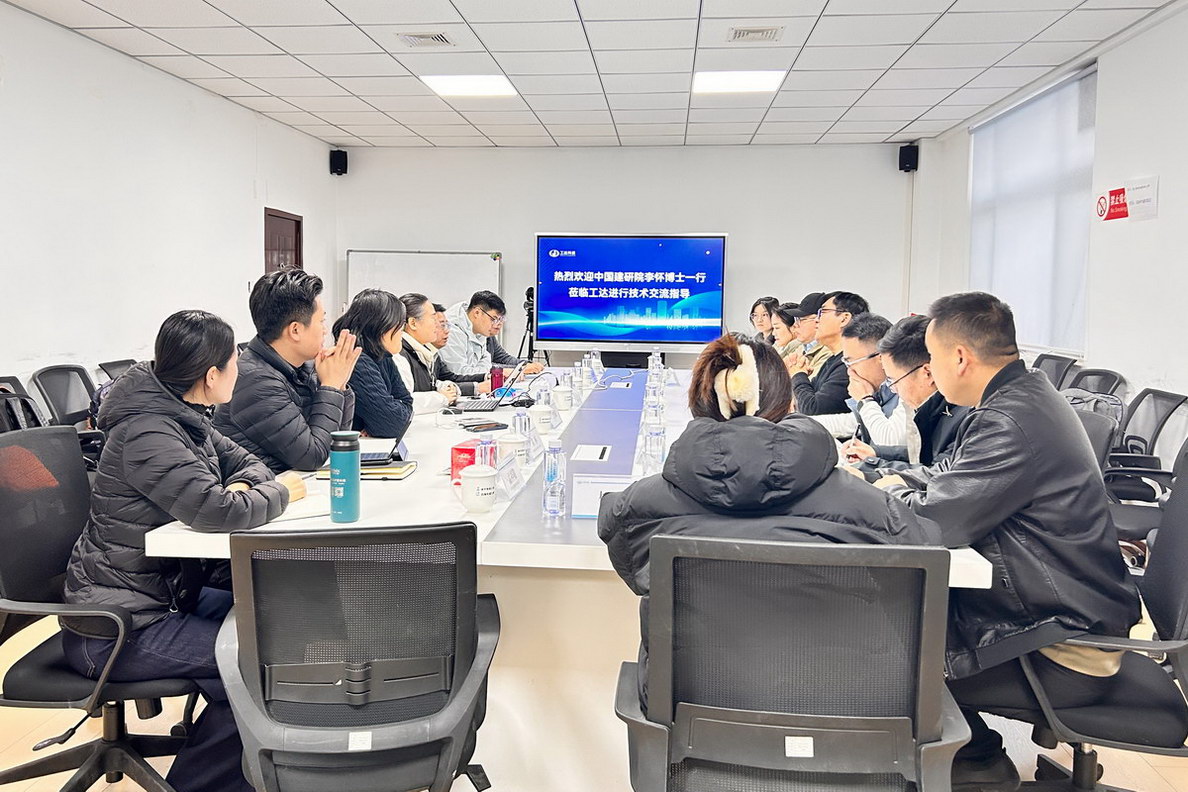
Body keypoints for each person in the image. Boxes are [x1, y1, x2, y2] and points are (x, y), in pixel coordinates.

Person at [879, 293, 1141, 791]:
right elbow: (953, 478)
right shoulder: (1022, 395)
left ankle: (976, 763)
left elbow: (935, 524)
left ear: (960, 357)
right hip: (1064, 612)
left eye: (932, 357)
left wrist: (875, 496)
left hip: (1063, 644)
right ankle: (972, 757)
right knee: (901, 620)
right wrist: (893, 479)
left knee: (886, 649)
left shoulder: (1009, 419)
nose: (930, 370)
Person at [597, 333, 941, 706]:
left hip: (693, 707)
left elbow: (624, 552)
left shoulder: (639, 505)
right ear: (787, 402)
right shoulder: (862, 504)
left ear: (698, 402)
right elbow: (923, 548)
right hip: (847, 707)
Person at [61, 310, 307, 792]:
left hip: (163, 596)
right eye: (234, 361)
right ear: (212, 375)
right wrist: (280, 493)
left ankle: (246, 766)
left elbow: (249, 465)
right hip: (116, 628)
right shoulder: (148, 431)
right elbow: (218, 510)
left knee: (281, 626)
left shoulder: (183, 413)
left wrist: (248, 487)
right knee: (256, 667)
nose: (240, 368)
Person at [214, 270, 360, 472]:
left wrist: (340, 384)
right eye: (321, 321)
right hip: (262, 487)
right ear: (295, 330)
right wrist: (331, 386)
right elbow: (313, 457)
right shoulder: (256, 381)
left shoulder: (302, 366)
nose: (325, 330)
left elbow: (336, 442)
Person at [841, 315, 969, 476]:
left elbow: (936, 476)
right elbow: (925, 455)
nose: (894, 390)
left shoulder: (965, 414)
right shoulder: (936, 406)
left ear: (927, 373)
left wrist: (872, 470)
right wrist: (876, 453)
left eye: (893, 381)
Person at [813, 313, 909, 446]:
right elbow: (853, 422)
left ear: (880, 357)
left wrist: (865, 400)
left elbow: (890, 441)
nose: (849, 371)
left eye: (851, 362)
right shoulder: (881, 391)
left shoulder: (906, 387)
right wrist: (800, 423)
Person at [332, 289, 415, 439]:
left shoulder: (383, 356)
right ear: (380, 325)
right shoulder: (357, 359)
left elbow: (407, 402)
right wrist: (383, 420)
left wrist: (382, 419)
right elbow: (393, 425)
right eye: (400, 324)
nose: (402, 332)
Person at [789, 291, 869, 416]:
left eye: (822, 312)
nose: (816, 320)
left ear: (844, 318)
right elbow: (802, 402)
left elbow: (813, 410)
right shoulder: (833, 360)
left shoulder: (850, 364)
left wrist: (798, 374)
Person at [438, 291, 544, 379]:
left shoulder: (479, 328)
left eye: (501, 319)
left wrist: (521, 366)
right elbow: (460, 373)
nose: (498, 324)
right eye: (494, 319)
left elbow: (486, 361)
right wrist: (504, 371)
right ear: (477, 313)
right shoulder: (451, 331)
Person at [395, 293, 464, 414]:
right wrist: (441, 398)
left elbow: (426, 384)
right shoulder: (400, 354)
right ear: (413, 323)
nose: (437, 325)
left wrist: (444, 386)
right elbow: (405, 401)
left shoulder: (422, 351)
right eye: (433, 319)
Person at [432, 303, 491, 397]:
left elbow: (452, 377)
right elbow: (430, 389)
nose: (447, 331)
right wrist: (477, 388)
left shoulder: (433, 355)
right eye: (442, 325)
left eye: (447, 325)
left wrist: (485, 376)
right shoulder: (412, 356)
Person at [784, 291, 833, 377]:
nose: (795, 325)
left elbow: (809, 384)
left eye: (801, 320)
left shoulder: (829, 353)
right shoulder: (800, 348)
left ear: (819, 320)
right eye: (796, 319)